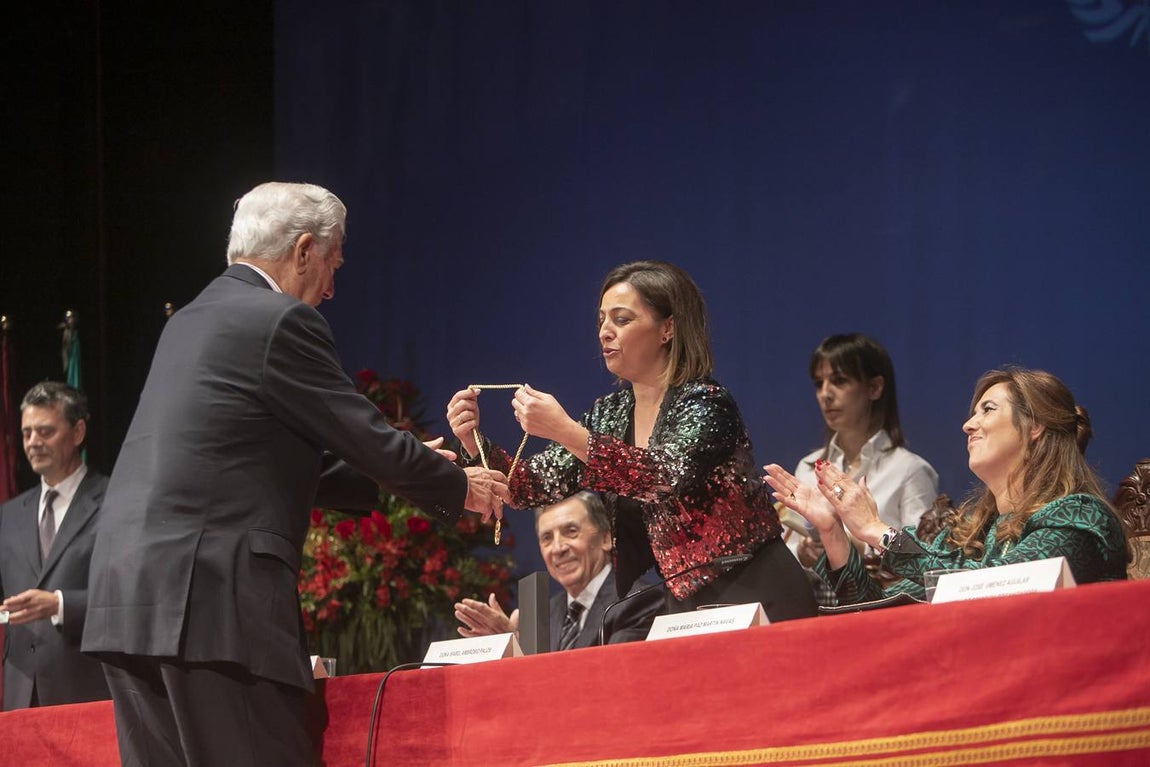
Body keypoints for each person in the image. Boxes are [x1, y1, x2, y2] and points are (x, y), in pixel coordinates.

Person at [81, 182, 509, 767]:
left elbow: (251, 451)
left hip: (130, 604)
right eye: (332, 264)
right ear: (304, 250)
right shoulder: (278, 319)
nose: (331, 288)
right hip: (209, 606)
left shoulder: (189, 321)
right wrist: (462, 486)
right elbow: (356, 431)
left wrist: (395, 470)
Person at [447, 260, 817, 621]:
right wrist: (473, 441)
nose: (605, 331)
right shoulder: (610, 413)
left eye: (621, 320)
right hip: (684, 602)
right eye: (602, 320)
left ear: (667, 329)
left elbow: (660, 477)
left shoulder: (706, 401)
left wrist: (565, 430)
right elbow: (530, 486)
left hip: (754, 586)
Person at [765, 367, 1129, 605]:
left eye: (988, 410)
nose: (968, 425)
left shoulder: (1079, 516)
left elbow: (995, 592)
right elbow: (878, 611)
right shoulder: (969, 532)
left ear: (1034, 427)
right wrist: (833, 531)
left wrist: (879, 531)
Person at [0, 382, 110, 710]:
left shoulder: (114, 501)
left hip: (86, 690)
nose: (33, 443)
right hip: (20, 695)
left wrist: (61, 605)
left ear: (77, 432)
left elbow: (130, 598)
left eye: (45, 431)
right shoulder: (8, 514)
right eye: (26, 433)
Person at [786, 333, 938, 566]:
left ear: (875, 388)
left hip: (886, 601)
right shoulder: (808, 468)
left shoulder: (910, 470)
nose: (825, 394)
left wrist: (859, 546)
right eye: (819, 383)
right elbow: (791, 549)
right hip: (818, 600)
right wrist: (803, 553)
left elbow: (923, 560)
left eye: (839, 380)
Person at [454, 491, 664, 650]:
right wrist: (511, 647)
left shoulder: (637, 602)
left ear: (605, 538)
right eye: (547, 538)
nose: (558, 548)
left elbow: (608, 680)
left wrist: (517, 653)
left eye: (570, 532)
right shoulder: (544, 615)